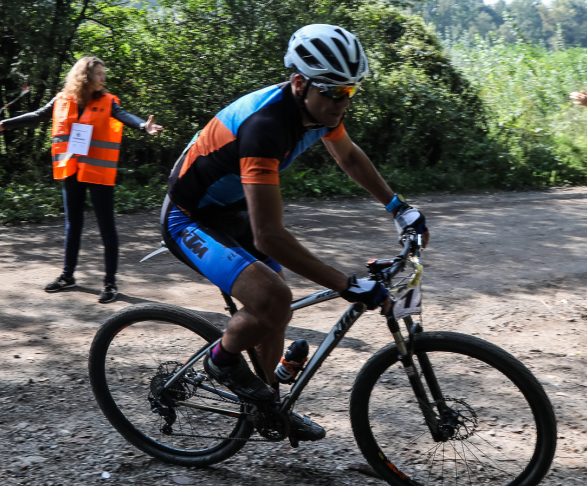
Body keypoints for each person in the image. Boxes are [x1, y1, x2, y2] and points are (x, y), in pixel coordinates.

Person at [161, 24, 430, 442]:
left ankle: (269, 407)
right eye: (334, 92)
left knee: (275, 311)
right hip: (188, 217)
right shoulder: (265, 127)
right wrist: (346, 284)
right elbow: (270, 236)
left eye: (351, 92)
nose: (342, 102)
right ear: (300, 82)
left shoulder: (317, 111)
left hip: (231, 210)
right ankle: (221, 359)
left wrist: (399, 208)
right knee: (272, 297)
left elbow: (350, 158)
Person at [0, 56, 163, 303]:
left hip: (98, 171)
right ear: (85, 77)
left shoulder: (107, 101)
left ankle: (110, 283)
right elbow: (37, 115)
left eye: (103, 73)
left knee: (106, 227)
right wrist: (5, 124)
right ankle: (68, 276)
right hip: (72, 169)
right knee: (73, 224)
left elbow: (124, 115)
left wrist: (144, 126)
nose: (103, 78)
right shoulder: (61, 99)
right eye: (99, 73)